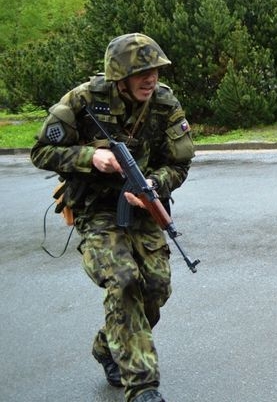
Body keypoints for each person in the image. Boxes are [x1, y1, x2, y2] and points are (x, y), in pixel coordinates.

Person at [31, 33, 195, 402]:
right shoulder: (84, 100)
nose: (150, 78)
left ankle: (109, 345)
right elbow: (41, 151)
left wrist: (154, 182)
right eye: (141, 72)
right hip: (97, 210)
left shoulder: (165, 103)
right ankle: (143, 387)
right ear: (119, 75)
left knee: (155, 288)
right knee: (123, 281)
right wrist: (92, 158)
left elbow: (180, 164)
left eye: (154, 70)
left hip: (144, 206)